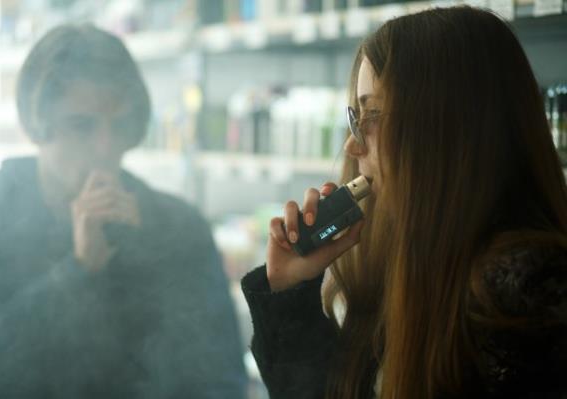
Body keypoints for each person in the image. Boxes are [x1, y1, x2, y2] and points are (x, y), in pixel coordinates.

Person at [242, 6, 567, 399]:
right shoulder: (416, 257)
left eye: (374, 113)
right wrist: (290, 291)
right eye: (357, 116)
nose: (353, 144)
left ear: (450, 127)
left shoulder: (526, 300)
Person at [0, 24, 247, 398]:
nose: (105, 146)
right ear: (35, 125)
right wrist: (77, 272)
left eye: (120, 126)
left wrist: (144, 260)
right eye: (81, 126)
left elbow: (218, 377)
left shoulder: (180, 228)